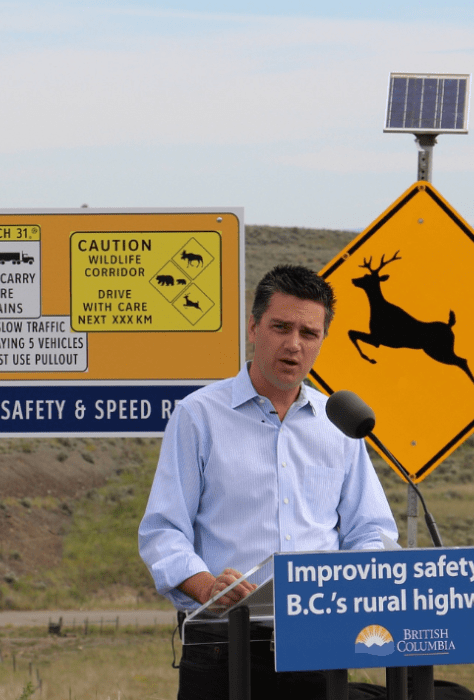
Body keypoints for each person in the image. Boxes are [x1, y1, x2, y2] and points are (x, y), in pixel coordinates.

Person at [138, 264, 399, 700]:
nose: (294, 344)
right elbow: (162, 532)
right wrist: (207, 587)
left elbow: (370, 531)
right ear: (253, 328)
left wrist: (350, 584)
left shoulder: (338, 425)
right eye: (281, 327)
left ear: (322, 341)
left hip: (319, 645)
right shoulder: (198, 416)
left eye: (309, 333)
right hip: (223, 646)